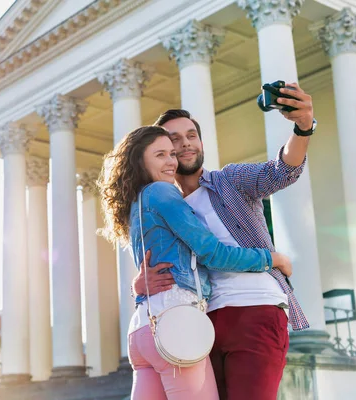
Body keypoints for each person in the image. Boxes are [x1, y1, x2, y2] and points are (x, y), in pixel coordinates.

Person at [131, 83, 315, 400]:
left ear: (201, 141)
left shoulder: (229, 180)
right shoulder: (164, 203)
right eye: (173, 140)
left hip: (254, 308)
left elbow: (281, 171)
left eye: (191, 135)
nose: (185, 144)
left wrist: (303, 127)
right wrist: (140, 284)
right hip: (199, 322)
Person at [98, 125, 293, 399]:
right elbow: (212, 253)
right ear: (140, 160)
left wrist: (136, 286)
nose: (171, 161)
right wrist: (271, 258)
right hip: (175, 319)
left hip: (142, 330)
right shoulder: (163, 192)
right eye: (160, 155)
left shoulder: (136, 202)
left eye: (171, 154)